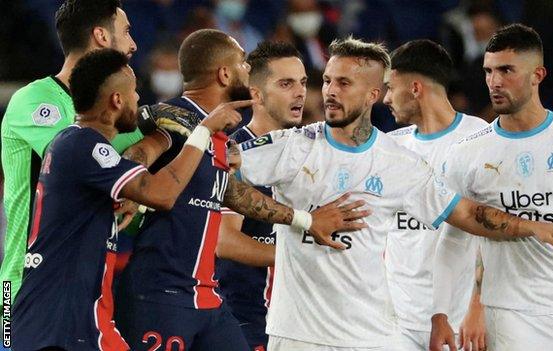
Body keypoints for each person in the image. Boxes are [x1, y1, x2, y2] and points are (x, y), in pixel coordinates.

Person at [235, 36, 553, 351]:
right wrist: (301, 219)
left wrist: (531, 226)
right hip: (300, 335)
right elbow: (217, 178)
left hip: (373, 336)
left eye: (343, 82)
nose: (329, 91)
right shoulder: (291, 146)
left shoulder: (397, 162)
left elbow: (464, 214)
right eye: (326, 80)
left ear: (373, 94)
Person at [114, 29, 367, 351]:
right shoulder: (176, 121)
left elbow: (236, 194)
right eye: (243, 63)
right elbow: (142, 152)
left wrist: (306, 221)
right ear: (224, 73)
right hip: (162, 291)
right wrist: (131, 185)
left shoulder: (220, 135)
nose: (248, 71)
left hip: (205, 295)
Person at [11, 48, 244, 351]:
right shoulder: (85, 144)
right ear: (116, 101)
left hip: (78, 318)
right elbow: (162, 194)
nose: (138, 99)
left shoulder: (76, 145)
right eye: (133, 91)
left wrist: (165, 138)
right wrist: (202, 133)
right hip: (58, 321)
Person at [429, 24, 553, 351]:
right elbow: (453, 237)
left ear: (538, 74)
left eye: (506, 70)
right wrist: (441, 312)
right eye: (488, 71)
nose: (494, 81)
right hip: (508, 314)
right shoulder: (466, 152)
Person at [0, 0, 165, 304]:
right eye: (126, 32)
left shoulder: (119, 116)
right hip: (24, 288)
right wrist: (152, 134)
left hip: (88, 287)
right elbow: (80, 156)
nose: (134, 44)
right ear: (102, 37)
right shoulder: (33, 100)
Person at [382, 39, 488, 351]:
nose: (386, 98)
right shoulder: (390, 147)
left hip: (459, 320)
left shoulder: (479, 140)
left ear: (415, 88)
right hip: (395, 320)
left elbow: (493, 230)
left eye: (391, 87)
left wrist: (477, 307)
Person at [215, 41, 307, 350]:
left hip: (299, 322)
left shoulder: (309, 150)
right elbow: (224, 241)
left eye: (303, 82)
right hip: (248, 321)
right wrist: (300, 257)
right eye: (286, 83)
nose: (300, 93)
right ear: (256, 94)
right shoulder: (233, 153)